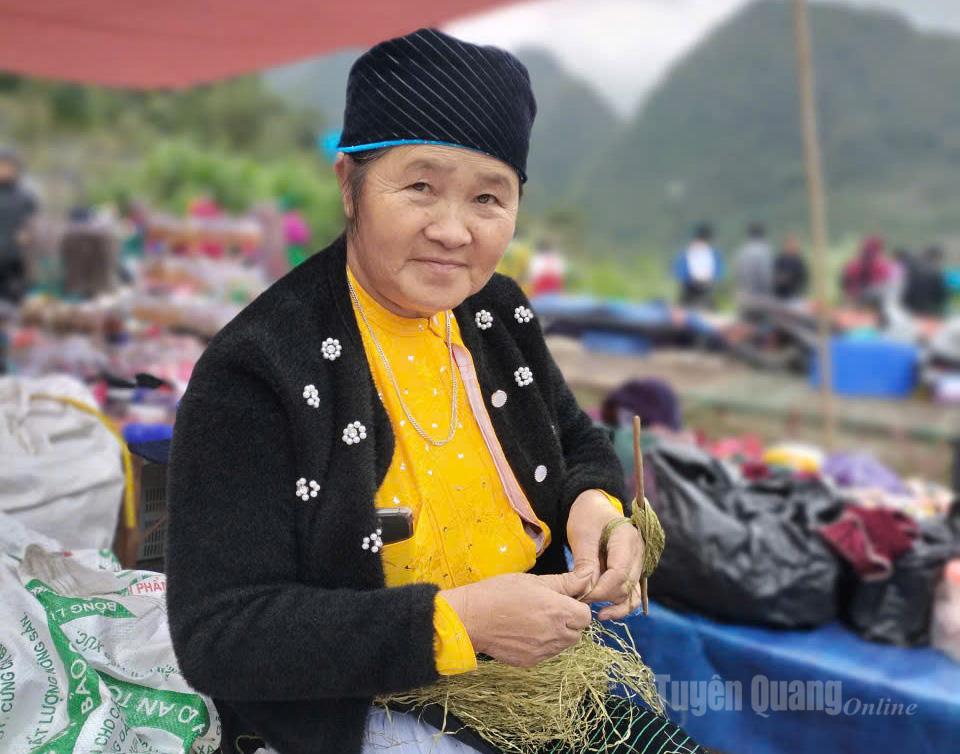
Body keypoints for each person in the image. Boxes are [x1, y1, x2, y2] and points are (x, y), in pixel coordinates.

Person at [165, 29, 705, 754]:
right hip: (370, 710)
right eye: (419, 186)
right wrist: (460, 622)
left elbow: (576, 438)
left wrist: (596, 511)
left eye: (488, 197)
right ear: (349, 184)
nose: (452, 230)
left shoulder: (496, 312)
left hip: (538, 681)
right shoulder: (258, 369)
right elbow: (220, 635)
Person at [0, 147, 37, 303]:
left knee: (15, 302)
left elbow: (35, 224)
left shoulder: (25, 196)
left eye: (8, 166)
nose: (4, 170)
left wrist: (28, 234)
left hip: (16, 259)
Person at [672, 222, 724, 309]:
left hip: (702, 290)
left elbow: (718, 272)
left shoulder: (712, 254)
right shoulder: (687, 254)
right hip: (691, 289)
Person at [841, 235, 895, 305]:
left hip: (864, 295)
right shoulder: (882, 265)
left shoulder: (883, 266)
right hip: (861, 295)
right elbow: (846, 282)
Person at [903, 245, 948, 317]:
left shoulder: (912, 270)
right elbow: (942, 296)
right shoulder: (936, 272)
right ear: (936, 257)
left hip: (910, 311)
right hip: (930, 311)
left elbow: (906, 293)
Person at [733, 222, 773, 302]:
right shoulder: (765, 251)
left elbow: (738, 272)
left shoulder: (742, 251)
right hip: (761, 296)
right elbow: (766, 275)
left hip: (744, 294)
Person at [773, 233, 809, 301]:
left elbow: (803, 278)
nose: (792, 246)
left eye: (793, 244)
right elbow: (775, 275)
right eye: (789, 244)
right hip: (780, 296)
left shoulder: (799, 261)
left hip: (795, 295)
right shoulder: (780, 259)